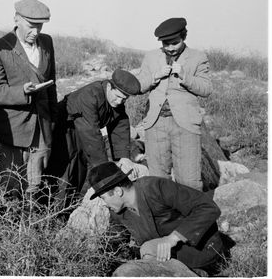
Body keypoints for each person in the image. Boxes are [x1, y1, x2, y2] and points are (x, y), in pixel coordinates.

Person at [89, 162, 227, 275]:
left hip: (203, 249)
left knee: (147, 249)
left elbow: (208, 207)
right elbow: (112, 243)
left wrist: (173, 238)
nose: (104, 203)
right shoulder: (117, 212)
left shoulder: (155, 187)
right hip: (167, 259)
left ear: (118, 191)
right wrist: (94, 265)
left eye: (104, 198)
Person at [0, 0, 57, 199]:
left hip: (41, 132)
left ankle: (31, 226)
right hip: (11, 133)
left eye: (40, 26)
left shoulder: (48, 43)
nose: (36, 32)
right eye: (31, 26)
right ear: (17, 19)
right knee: (9, 189)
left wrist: (53, 123)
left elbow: (52, 86)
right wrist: (22, 92)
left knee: (35, 187)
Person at [135, 17, 212, 191]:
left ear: (183, 37)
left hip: (185, 124)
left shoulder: (198, 57)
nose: (169, 48)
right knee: (157, 177)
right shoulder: (151, 57)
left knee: (189, 179)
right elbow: (139, 85)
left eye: (174, 43)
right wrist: (155, 75)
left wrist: (185, 76)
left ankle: (192, 216)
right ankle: (164, 217)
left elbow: (206, 89)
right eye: (165, 44)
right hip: (155, 123)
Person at [46, 69, 142, 201]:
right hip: (64, 130)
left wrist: (124, 157)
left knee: (80, 170)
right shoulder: (90, 96)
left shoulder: (116, 101)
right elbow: (92, 135)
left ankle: (69, 205)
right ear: (109, 86)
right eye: (118, 97)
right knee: (64, 170)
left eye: (124, 99)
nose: (120, 102)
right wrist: (104, 170)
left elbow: (121, 124)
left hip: (82, 131)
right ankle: (52, 209)